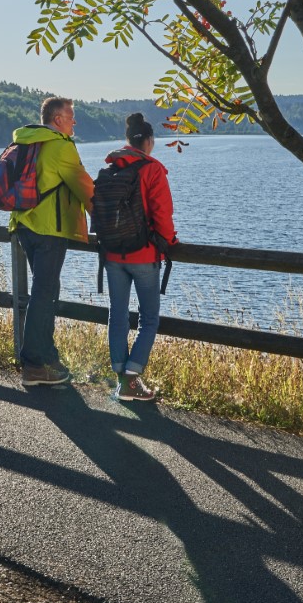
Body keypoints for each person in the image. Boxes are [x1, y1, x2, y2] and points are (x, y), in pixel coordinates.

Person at [9, 96, 94, 386]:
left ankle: (48, 357)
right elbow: (85, 188)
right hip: (49, 229)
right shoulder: (60, 145)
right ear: (58, 119)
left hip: (23, 224)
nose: (74, 122)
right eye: (71, 117)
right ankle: (33, 365)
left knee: (45, 291)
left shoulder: (27, 141)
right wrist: (113, 219)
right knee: (45, 293)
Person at [101, 112, 176, 401]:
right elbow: (162, 215)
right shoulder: (152, 169)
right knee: (149, 319)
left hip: (112, 254)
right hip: (144, 255)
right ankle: (131, 380)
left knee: (117, 315)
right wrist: (169, 241)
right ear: (148, 141)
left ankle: (121, 377)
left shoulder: (111, 168)